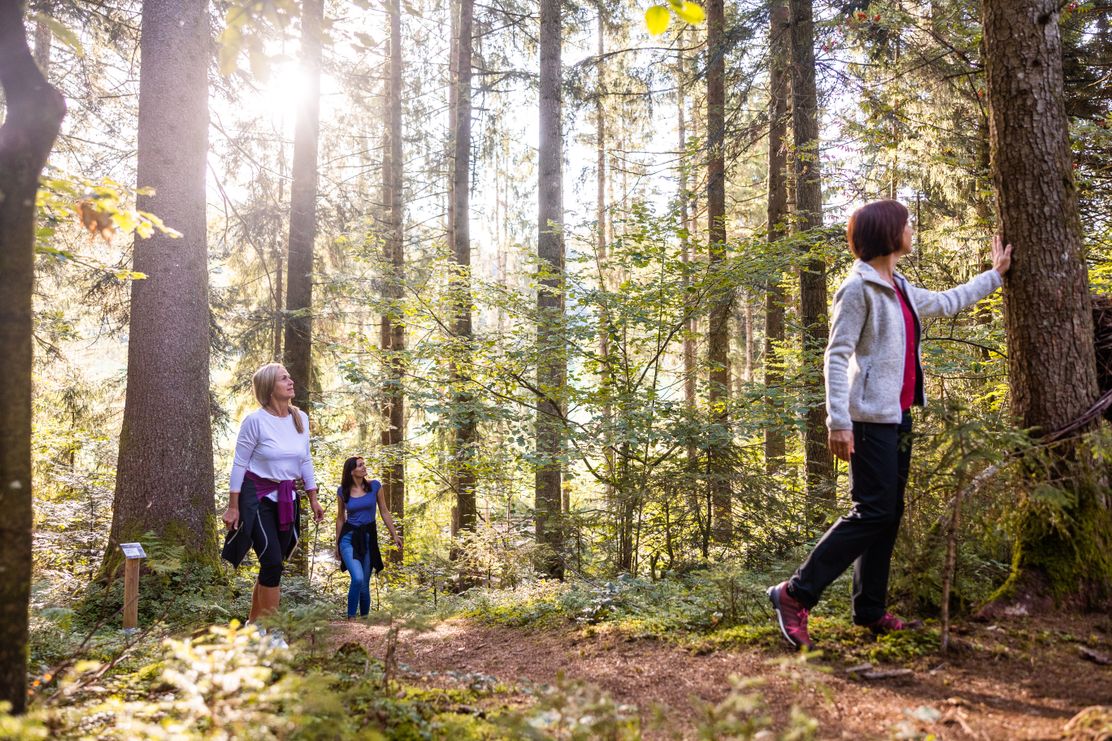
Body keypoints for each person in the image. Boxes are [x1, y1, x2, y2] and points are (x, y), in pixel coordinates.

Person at [768, 199, 1013, 650]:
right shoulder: (857, 288)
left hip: (898, 417)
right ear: (888, 233)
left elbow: (946, 302)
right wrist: (838, 421)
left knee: (889, 514)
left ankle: (869, 610)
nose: (911, 229)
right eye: (906, 224)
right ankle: (795, 593)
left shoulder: (897, 285)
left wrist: (994, 276)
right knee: (873, 511)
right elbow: (836, 356)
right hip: (866, 420)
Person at [220, 362, 324, 623]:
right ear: (269, 387)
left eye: (289, 376)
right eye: (283, 378)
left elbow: (305, 460)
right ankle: (272, 632)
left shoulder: (300, 418)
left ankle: (254, 627)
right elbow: (240, 464)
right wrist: (233, 506)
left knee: (273, 564)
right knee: (272, 562)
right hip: (257, 497)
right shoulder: (255, 421)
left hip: (287, 498)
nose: (291, 381)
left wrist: (313, 498)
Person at [335, 456, 402, 618]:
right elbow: (340, 518)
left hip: (368, 538)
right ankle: (351, 619)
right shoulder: (342, 491)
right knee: (357, 578)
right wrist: (337, 544)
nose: (364, 467)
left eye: (364, 464)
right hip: (348, 538)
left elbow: (384, 511)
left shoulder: (375, 486)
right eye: (360, 465)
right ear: (351, 471)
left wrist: (394, 534)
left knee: (364, 585)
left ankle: (364, 622)